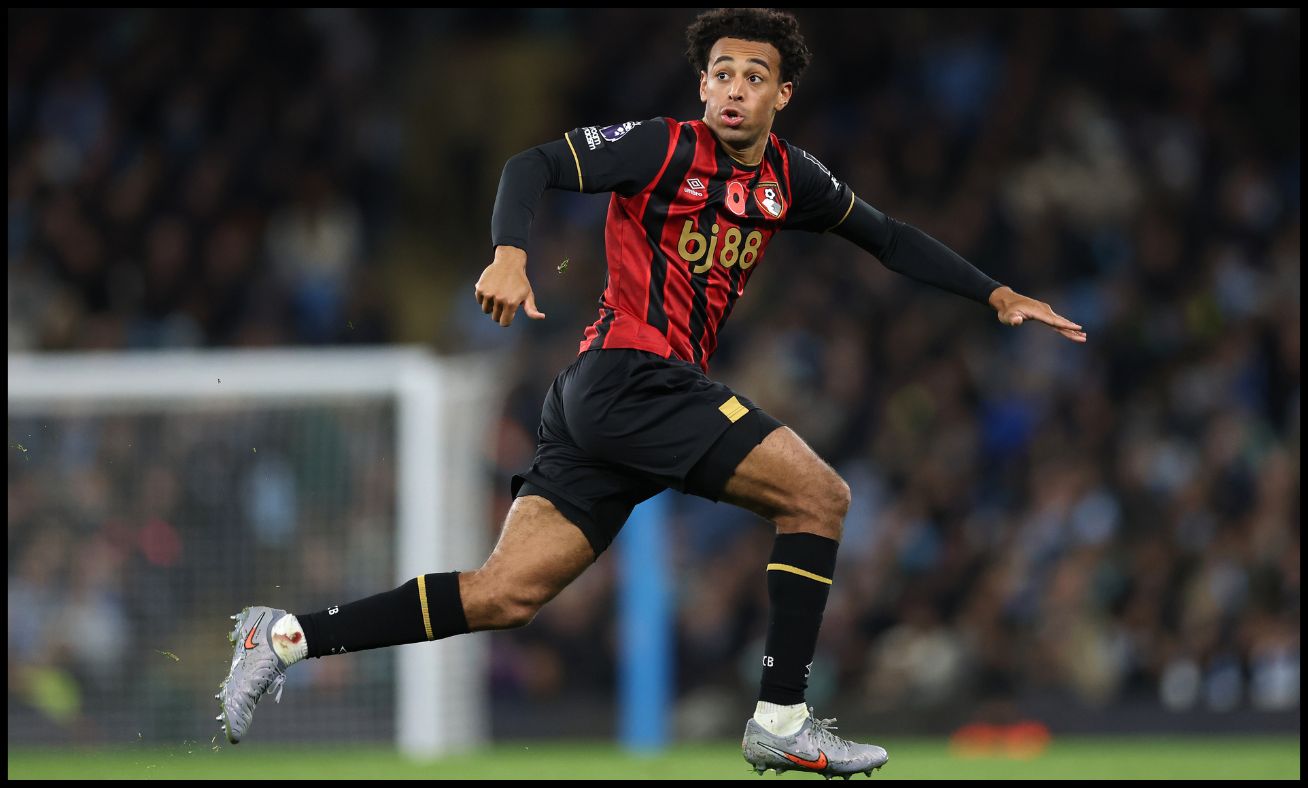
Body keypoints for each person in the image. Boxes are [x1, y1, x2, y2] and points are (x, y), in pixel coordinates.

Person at [218, 8, 1085, 777]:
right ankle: (781, 720)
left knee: (504, 594)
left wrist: (996, 294)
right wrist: (511, 253)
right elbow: (532, 164)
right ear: (701, 86)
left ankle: (284, 636)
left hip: (611, 401)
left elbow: (889, 238)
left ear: (782, 95)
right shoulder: (664, 146)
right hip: (629, 375)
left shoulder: (793, 179)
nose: (734, 89)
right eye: (721, 74)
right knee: (820, 494)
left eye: (755, 76)